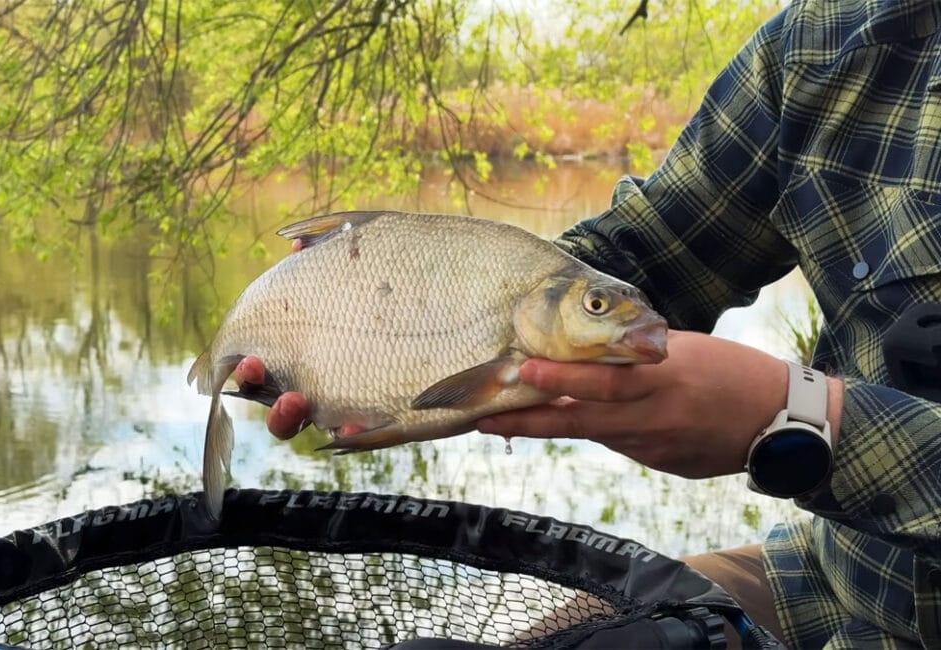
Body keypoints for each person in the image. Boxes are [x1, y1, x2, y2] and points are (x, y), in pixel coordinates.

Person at [234, 0, 941, 646]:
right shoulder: (824, 45)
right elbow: (651, 254)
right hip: (836, 576)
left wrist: (801, 421)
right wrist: (425, 305)